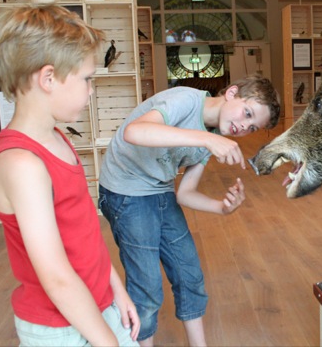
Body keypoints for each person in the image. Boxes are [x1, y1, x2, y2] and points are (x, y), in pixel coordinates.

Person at [0, 5, 140, 346]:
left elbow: (84, 233)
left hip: (97, 307)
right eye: (87, 79)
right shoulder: (22, 165)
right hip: (58, 329)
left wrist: (117, 291)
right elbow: (56, 278)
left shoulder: (60, 140)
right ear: (48, 78)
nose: (91, 90)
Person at [98, 75, 280, 346]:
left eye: (251, 126)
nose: (243, 126)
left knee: (189, 274)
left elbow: (184, 193)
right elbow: (134, 132)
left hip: (159, 189)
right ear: (231, 93)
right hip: (126, 190)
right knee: (147, 287)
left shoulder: (214, 133)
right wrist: (206, 140)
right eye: (247, 112)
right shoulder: (184, 100)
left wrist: (223, 207)